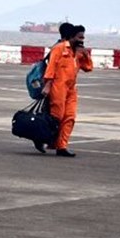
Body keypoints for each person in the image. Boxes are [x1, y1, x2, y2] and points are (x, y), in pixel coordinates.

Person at [41, 22, 93, 156]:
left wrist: (86, 54)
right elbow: (51, 67)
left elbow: (88, 68)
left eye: (83, 38)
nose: (82, 40)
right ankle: (44, 138)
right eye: (80, 37)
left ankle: (62, 147)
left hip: (71, 89)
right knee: (56, 116)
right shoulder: (59, 49)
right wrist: (47, 85)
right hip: (58, 87)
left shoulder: (79, 53)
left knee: (70, 117)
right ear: (72, 37)